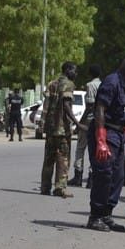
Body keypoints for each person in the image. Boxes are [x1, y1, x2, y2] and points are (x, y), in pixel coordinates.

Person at [86, 55, 125, 231]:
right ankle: (95, 216)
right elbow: (100, 109)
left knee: (117, 177)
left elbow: (124, 115)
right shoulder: (112, 82)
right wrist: (101, 140)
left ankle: (106, 214)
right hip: (106, 132)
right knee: (104, 175)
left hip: (118, 134)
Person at [40, 61, 78, 198]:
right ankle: (60, 188)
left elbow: (46, 104)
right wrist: (77, 124)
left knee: (49, 159)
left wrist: (43, 124)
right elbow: (66, 105)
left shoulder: (52, 84)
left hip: (50, 128)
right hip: (62, 129)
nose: (75, 73)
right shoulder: (68, 84)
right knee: (63, 158)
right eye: (74, 70)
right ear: (67, 70)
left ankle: (45, 187)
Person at [70, 64, 101, 187]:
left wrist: (80, 122)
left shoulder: (90, 85)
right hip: (99, 120)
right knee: (94, 149)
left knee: (80, 147)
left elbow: (89, 105)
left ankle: (78, 176)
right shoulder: (102, 84)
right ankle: (91, 179)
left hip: (89, 120)